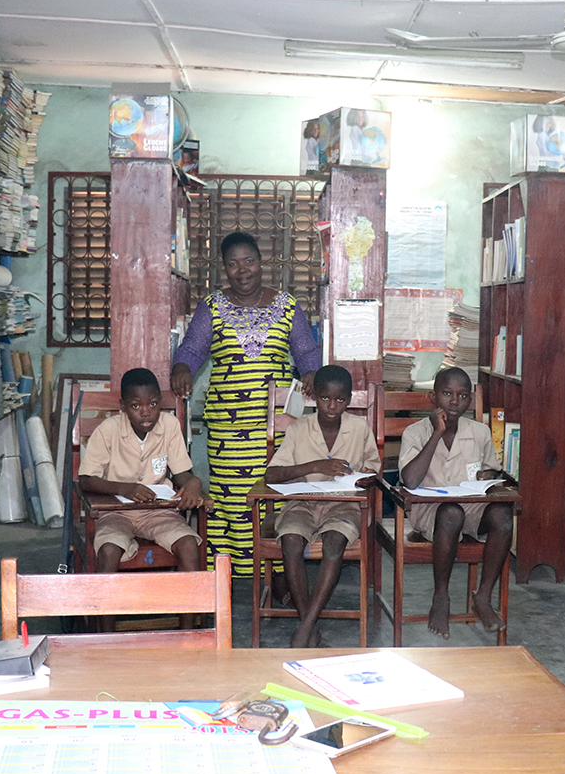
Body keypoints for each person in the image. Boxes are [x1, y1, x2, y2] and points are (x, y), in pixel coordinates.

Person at [171, 231, 322, 577]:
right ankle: (230, 571)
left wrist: (312, 371)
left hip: (277, 424)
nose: (243, 270)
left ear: (260, 262)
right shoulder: (212, 306)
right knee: (230, 499)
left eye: (249, 261)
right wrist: (182, 368)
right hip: (227, 427)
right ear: (224, 268)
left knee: (275, 493)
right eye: (233, 263)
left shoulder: (287, 305)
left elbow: (306, 350)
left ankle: (279, 571)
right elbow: (193, 348)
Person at [262, 365, 382, 648]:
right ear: (314, 397)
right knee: (291, 540)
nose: (332, 405)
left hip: (342, 505)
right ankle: (309, 623)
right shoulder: (299, 428)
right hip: (302, 503)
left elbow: (374, 470)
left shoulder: (359, 428)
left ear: (349, 400)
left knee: (334, 542)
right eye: (326, 398)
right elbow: (271, 475)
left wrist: (363, 477)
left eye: (340, 400)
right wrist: (317, 466)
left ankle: (305, 625)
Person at [398, 366, 515, 639]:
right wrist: (437, 433)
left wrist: (490, 476)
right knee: (450, 514)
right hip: (429, 508)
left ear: (470, 400)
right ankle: (441, 597)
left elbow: (490, 471)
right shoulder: (414, 433)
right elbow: (411, 480)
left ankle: (482, 596)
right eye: (447, 394)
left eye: (462, 396)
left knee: (503, 516)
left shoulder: (480, 431)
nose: (454, 401)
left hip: (471, 504)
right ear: (432, 397)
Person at [77, 367, 205, 575]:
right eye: (136, 405)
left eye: (153, 404)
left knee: (188, 544)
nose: (146, 412)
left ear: (161, 403)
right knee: (109, 550)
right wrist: (126, 489)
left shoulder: (170, 425)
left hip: (158, 512)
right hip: (115, 512)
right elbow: (86, 480)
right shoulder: (108, 430)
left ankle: (189, 608)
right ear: (124, 407)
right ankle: (105, 607)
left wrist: (193, 483)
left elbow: (181, 473)